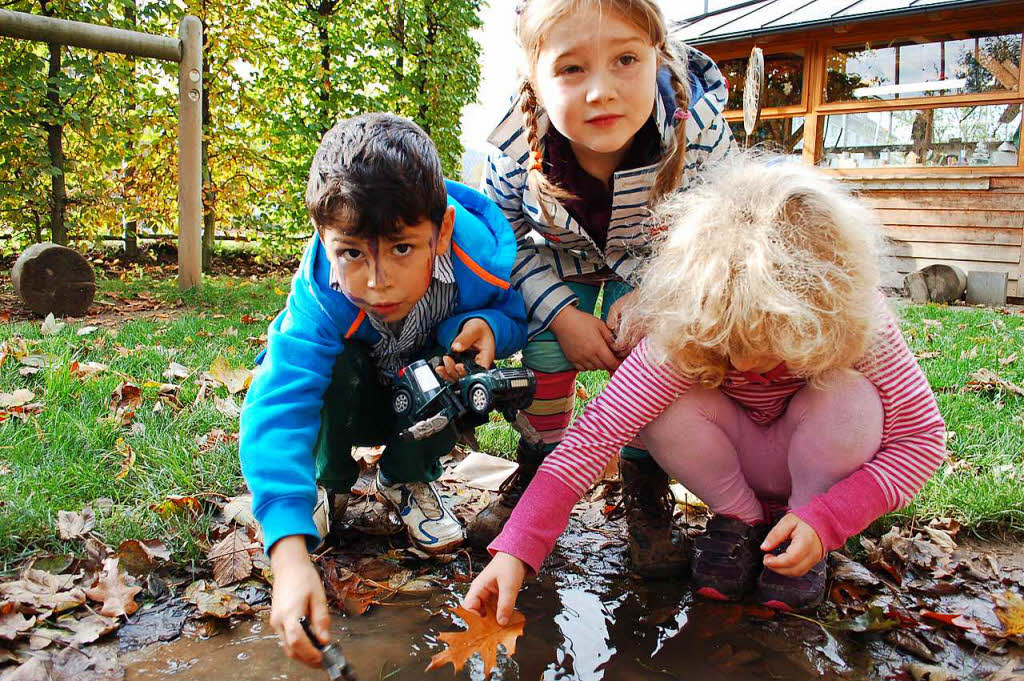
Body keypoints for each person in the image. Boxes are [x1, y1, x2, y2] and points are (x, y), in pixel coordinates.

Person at [464, 156, 947, 620]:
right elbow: (594, 437)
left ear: (819, 316)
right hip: (733, 463)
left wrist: (829, 518)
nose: (741, 361)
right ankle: (740, 520)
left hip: (817, 464)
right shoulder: (691, 320)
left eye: (766, 342)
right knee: (656, 406)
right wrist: (518, 550)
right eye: (727, 341)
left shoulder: (858, 321)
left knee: (849, 395)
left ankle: (800, 522)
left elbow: (922, 442)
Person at [239, 113, 527, 666]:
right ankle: (329, 485)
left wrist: (491, 330)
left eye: (400, 248)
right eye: (351, 253)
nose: (376, 281)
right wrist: (288, 552)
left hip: (421, 388)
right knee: (332, 368)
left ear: (441, 231)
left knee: (445, 382)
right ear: (325, 240)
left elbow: (511, 312)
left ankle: (409, 478)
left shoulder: (480, 264)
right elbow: (281, 399)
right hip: (354, 393)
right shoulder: (319, 296)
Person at [468, 0, 735, 578]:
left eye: (625, 59)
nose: (601, 91)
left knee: (644, 356)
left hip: (657, 263)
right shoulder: (513, 152)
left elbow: (723, 229)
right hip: (555, 256)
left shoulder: (702, 133)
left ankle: (645, 486)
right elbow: (505, 242)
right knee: (544, 350)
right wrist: (563, 315)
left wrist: (658, 297)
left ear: (657, 57)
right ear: (533, 80)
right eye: (571, 69)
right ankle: (538, 466)